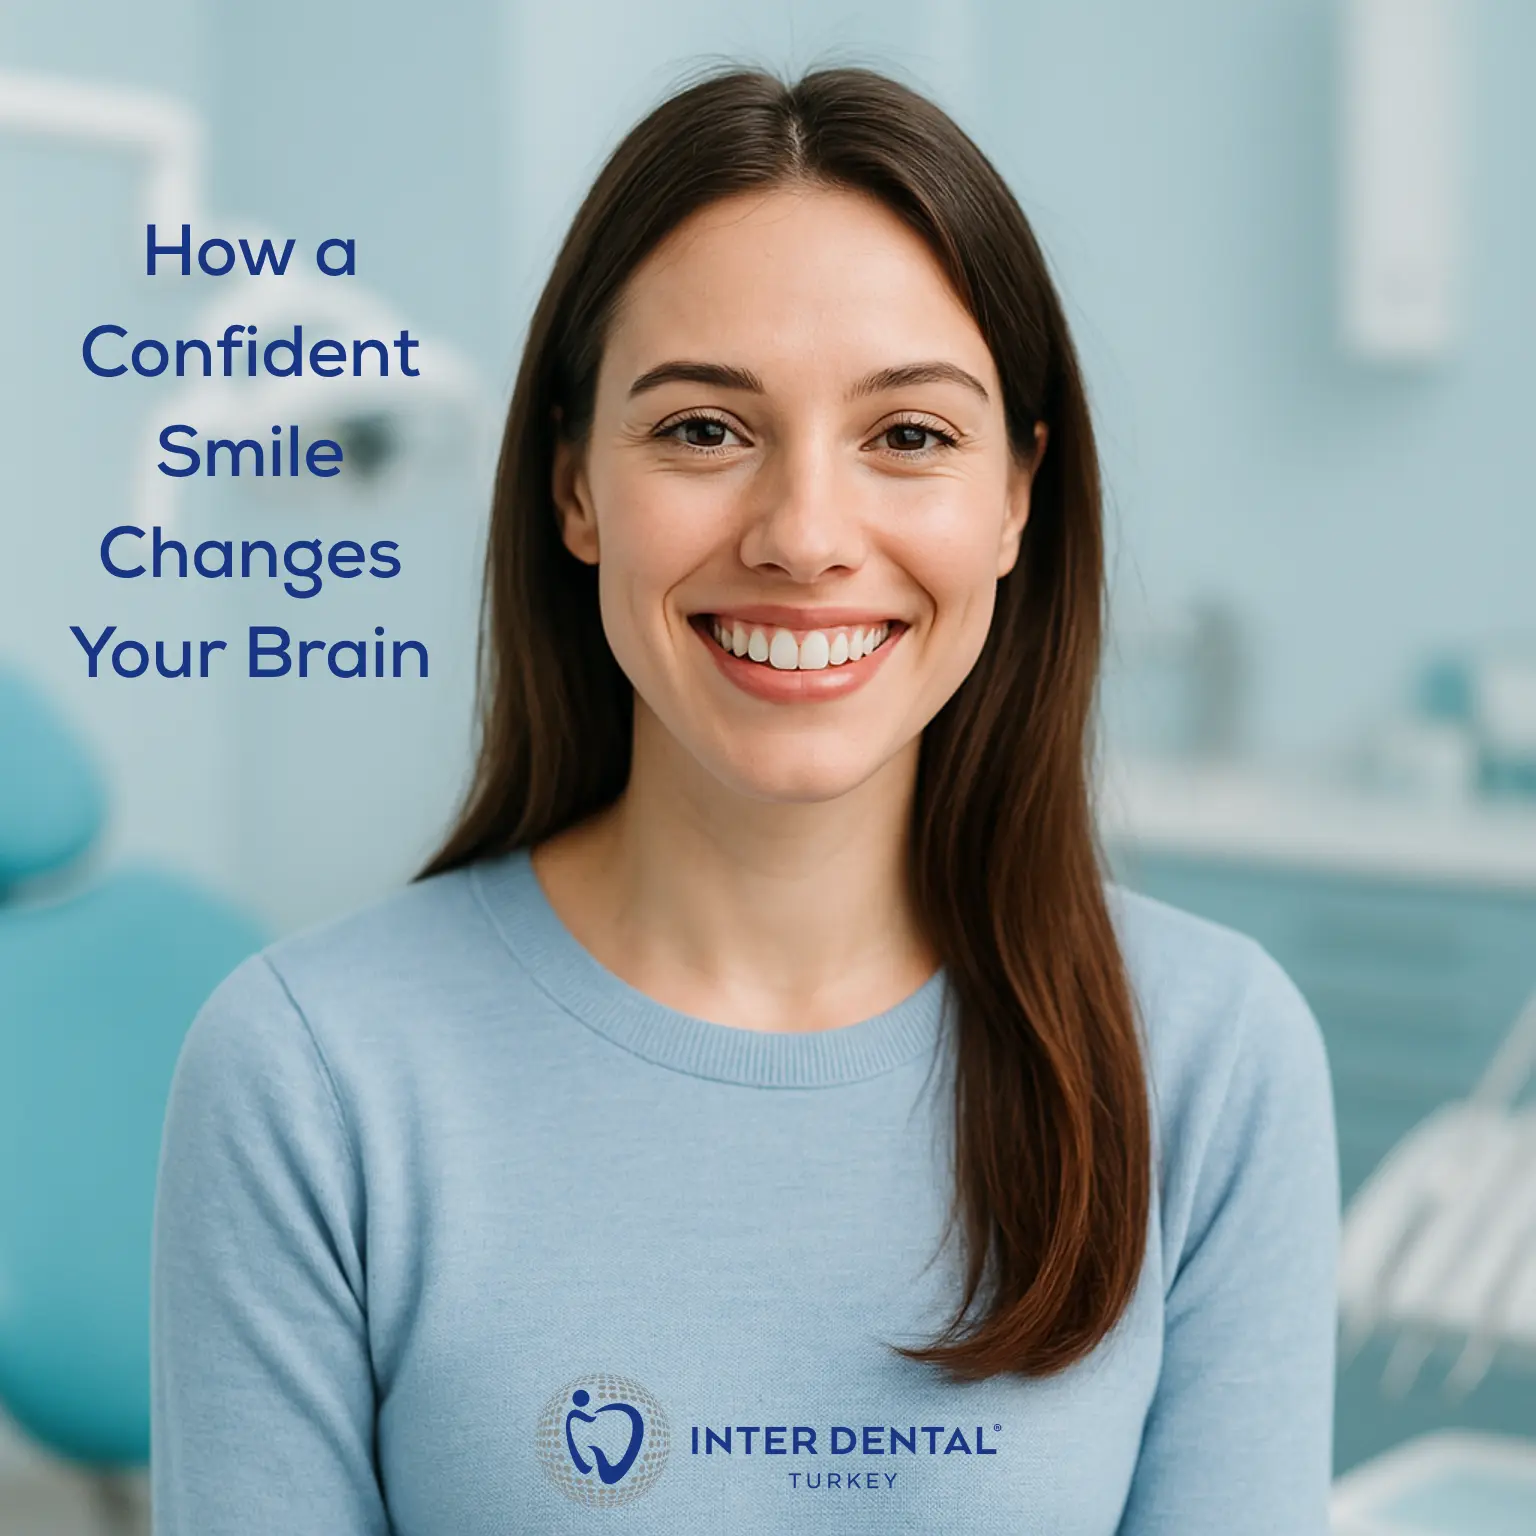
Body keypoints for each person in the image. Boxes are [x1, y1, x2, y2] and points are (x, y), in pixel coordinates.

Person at [150, 64, 1340, 1534]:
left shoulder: (1210, 1064)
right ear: (574, 485)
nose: (806, 536)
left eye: (909, 435)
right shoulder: (312, 1078)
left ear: (1019, 497)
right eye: (705, 430)